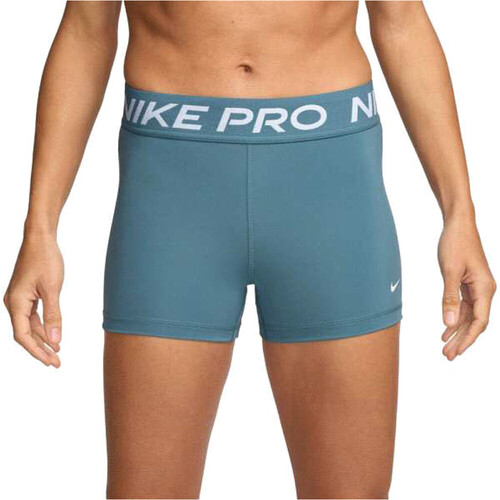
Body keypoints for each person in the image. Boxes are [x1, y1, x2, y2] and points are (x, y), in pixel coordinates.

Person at [4, 2, 496, 499]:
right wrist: (39, 229)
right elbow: (86, 31)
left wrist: (460, 214)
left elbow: (402, 22)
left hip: (330, 188)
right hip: (172, 196)